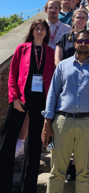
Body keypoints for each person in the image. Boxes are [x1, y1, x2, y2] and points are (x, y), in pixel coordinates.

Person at [41, 29, 89, 193]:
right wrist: (47, 123)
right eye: (80, 41)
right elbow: (53, 94)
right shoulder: (63, 65)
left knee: (84, 172)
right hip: (62, 122)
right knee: (57, 171)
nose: (84, 44)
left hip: (88, 123)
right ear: (75, 43)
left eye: (87, 41)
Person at [0, 20, 55, 193]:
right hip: (20, 100)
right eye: (36, 29)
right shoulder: (22, 49)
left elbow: (52, 79)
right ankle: (3, 186)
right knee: (7, 143)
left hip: (40, 101)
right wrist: (14, 98)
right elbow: (12, 75)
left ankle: (28, 188)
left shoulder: (50, 52)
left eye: (42, 29)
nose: (39, 31)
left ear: (47, 32)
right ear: (32, 31)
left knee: (34, 146)